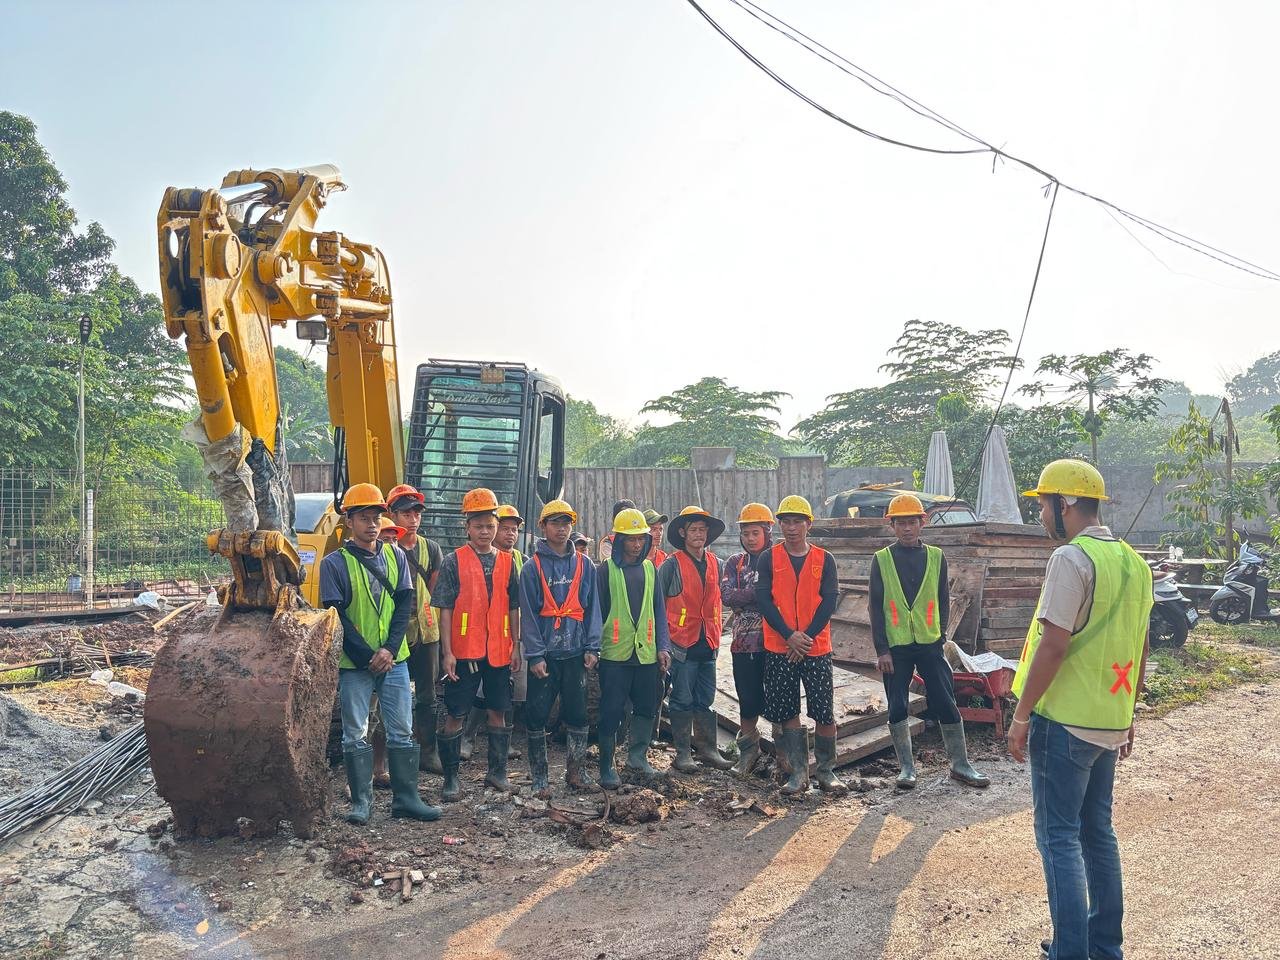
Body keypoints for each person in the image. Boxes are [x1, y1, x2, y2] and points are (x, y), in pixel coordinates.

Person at [1009, 460, 1152, 960]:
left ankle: (1070, 952)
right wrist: (1128, 710)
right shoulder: (1135, 562)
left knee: (1060, 839)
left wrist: (1022, 715)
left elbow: (1053, 645)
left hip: (1064, 721)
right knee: (1097, 833)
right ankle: (1104, 946)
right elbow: (1141, 644)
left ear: (1064, 504)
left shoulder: (1071, 559)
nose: (1040, 511)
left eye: (1042, 503)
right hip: (1108, 719)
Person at [318, 482, 441, 824]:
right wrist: (366, 655)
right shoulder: (334, 564)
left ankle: (406, 798)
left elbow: (405, 604)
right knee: (355, 731)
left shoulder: (395, 555)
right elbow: (336, 614)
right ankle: (362, 802)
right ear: (349, 522)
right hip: (355, 664)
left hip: (394, 659)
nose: (372, 524)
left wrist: (388, 649)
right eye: (364, 518)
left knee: (401, 727)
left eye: (376, 517)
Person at [872, 493, 988, 790]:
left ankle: (961, 765)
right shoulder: (882, 559)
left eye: (912, 522)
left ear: (922, 523)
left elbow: (942, 601)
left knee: (945, 700)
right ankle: (907, 769)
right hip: (896, 647)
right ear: (892, 526)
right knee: (897, 704)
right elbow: (876, 606)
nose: (907, 528)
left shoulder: (936, 557)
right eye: (901, 523)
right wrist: (882, 649)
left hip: (929, 643)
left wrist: (941, 636)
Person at [433, 487, 522, 801]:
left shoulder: (509, 562)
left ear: (497, 526)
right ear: (467, 527)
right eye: (479, 526)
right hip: (464, 651)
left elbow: (514, 606)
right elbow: (444, 608)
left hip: (498, 650)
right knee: (456, 712)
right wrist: (447, 653)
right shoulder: (453, 561)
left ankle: (497, 774)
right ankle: (451, 780)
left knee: (498, 710)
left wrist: (516, 644)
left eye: (490, 525)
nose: (485, 532)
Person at [755, 495, 847, 795]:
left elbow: (829, 602)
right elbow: (764, 600)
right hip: (781, 647)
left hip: (815, 647)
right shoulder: (769, 558)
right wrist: (788, 635)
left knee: (823, 711)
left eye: (797, 522)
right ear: (780, 524)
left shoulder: (825, 559)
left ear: (809, 524)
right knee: (787, 709)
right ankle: (798, 773)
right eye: (786, 522)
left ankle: (826, 771)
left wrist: (804, 637)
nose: (791, 528)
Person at [520, 499, 602, 797]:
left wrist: (593, 647)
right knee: (537, 714)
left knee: (579, 714)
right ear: (543, 527)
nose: (561, 528)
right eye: (555, 522)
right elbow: (528, 615)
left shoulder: (585, 565)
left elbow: (593, 609)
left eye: (566, 522)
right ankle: (540, 778)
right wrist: (535, 654)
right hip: (546, 655)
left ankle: (576, 773)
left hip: (576, 652)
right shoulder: (532, 568)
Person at [596, 507, 671, 788]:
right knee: (611, 710)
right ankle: (607, 765)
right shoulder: (605, 571)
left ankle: (637, 757)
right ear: (619, 541)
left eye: (641, 538)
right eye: (630, 539)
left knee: (645, 706)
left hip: (646, 654)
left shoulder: (650, 570)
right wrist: (593, 648)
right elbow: (597, 612)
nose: (637, 544)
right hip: (615, 654)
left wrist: (663, 646)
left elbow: (659, 612)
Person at [660, 506, 733, 772]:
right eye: (694, 530)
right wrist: (663, 645)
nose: (699, 534)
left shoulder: (717, 563)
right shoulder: (671, 565)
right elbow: (658, 606)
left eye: (703, 530)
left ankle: (708, 750)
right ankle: (682, 754)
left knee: (705, 698)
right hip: (682, 643)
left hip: (709, 643)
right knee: (681, 699)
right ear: (683, 533)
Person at [386, 483, 446, 774]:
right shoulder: (385, 549)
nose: (413, 518)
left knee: (427, 695)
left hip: (426, 630)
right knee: (390, 693)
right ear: (393, 515)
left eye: (416, 513)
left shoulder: (431, 549)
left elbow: (436, 592)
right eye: (406, 513)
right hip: (394, 632)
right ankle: (389, 756)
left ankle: (428, 752)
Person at [720, 502, 775, 776]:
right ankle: (748, 755)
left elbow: (779, 596)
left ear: (767, 531)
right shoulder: (734, 563)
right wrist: (762, 594)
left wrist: (753, 596)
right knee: (747, 699)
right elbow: (727, 596)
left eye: (755, 532)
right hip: (743, 644)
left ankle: (783, 756)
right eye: (745, 533)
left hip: (777, 643)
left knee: (780, 700)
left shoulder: (779, 559)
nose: (750, 538)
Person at [596, 498, 636, 563]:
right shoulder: (608, 542)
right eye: (622, 517)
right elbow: (611, 565)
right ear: (614, 520)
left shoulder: (642, 540)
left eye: (630, 516)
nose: (626, 520)